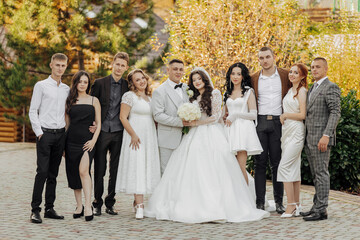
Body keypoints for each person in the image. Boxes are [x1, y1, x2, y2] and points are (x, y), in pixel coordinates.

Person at [144, 67, 270, 223]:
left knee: (216, 168)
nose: (197, 82)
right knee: (191, 168)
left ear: (205, 79)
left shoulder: (215, 93)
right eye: (194, 80)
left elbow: (216, 117)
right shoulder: (191, 97)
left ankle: (221, 205)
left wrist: (197, 122)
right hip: (192, 135)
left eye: (199, 79)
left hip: (211, 133)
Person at [28, 53, 69, 223]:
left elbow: (68, 113)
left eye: (63, 65)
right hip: (45, 134)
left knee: (53, 174)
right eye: (57, 65)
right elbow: (33, 110)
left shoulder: (66, 89)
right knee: (42, 172)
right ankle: (35, 209)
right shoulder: (41, 86)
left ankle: (49, 208)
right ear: (51, 65)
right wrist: (39, 133)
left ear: (66, 67)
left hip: (60, 135)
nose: (60, 68)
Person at [115, 69, 161, 219]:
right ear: (132, 83)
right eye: (137, 79)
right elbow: (123, 117)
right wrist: (133, 134)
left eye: (143, 78)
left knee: (146, 167)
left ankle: (138, 202)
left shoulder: (150, 98)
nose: (141, 81)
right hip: (135, 137)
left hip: (149, 137)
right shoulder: (129, 96)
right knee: (137, 167)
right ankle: (140, 206)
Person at [250, 47, 291, 213]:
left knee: (277, 163)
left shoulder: (285, 75)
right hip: (259, 122)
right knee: (259, 164)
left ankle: (279, 202)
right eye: (261, 58)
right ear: (258, 60)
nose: (264, 60)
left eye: (267, 57)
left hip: (278, 122)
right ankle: (260, 202)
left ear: (274, 57)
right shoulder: (253, 78)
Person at [300, 57, 341, 221]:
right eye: (312, 67)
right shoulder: (312, 88)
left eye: (317, 67)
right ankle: (316, 206)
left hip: (321, 139)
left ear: (326, 69)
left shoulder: (330, 87)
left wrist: (326, 135)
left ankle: (322, 210)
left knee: (322, 174)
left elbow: (335, 113)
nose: (314, 70)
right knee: (316, 174)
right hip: (310, 138)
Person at [90, 52, 130, 216]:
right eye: (117, 64)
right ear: (112, 64)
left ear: (126, 68)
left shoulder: (127, 86)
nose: (119, 68)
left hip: (119, 132)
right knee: (100, 168)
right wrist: (91, 125)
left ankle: (110, 202)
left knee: (115, 169)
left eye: (123, 65)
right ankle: (97, 202)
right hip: (102, 131)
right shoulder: (99, 83)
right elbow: (91, 105)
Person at [65, 71, 101, 221]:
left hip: (87, 142)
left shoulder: (94, 100)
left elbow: (98, 124)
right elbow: (67, 125)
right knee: (74, 173)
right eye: (80, 81)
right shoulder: (70, 100)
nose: (82, 84)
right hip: (71, 141)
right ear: (76, 83)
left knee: (83, 171)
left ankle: (88, 206)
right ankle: (78, 205)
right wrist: (62, 146)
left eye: (85, 82)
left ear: (88, 84)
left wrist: (93, 140)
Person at [223, 62, 263, 185]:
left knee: (240, 168)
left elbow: (253, 115)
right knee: (229, 168)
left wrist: (235, 115)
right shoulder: (227, 93)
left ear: (243, 76)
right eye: (233, 74)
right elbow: (223, 114)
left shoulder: (248, 92)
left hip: (242, 131)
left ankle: (245, 198)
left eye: (238, 74)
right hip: (229, 130)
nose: (235, 76)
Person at [277, 63, 308, 218]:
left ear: (302, 76)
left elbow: (303, 115)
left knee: (284, 167)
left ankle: (290, 206)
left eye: (296, 72)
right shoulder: (290, 91)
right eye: (291, 72)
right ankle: (297, 204)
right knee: (294, 168)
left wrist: (286, 115)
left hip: (296, 130)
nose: (292, 74)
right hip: (287, 131)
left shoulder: (302, 91)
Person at [151, 59, 189, 175]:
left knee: (182, 173)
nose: (178, 72)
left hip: (186, 138)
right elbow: (158, 115)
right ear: (168, 70)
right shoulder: (160, 91)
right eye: (175, 69)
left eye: (181, 69)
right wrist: (180, 122)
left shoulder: (187, 89)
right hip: (168, 139)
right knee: (167, 173)